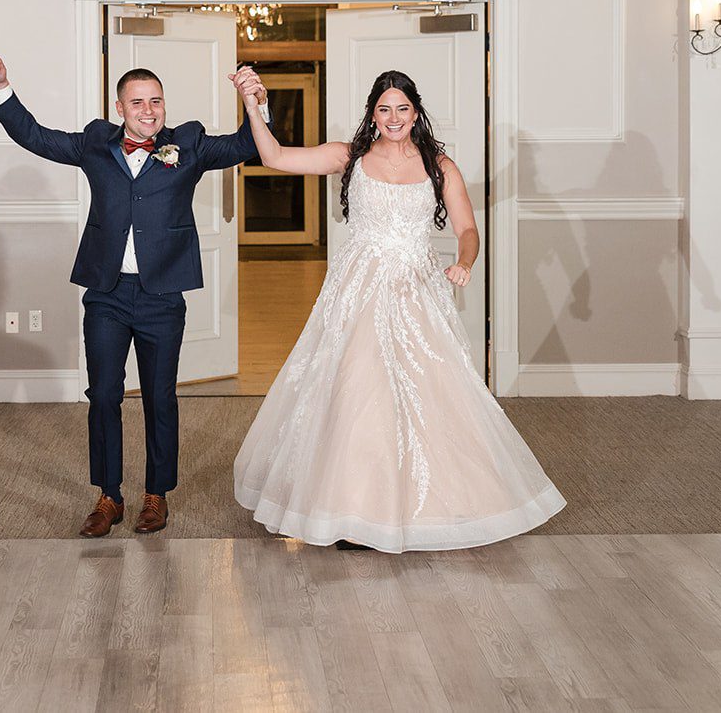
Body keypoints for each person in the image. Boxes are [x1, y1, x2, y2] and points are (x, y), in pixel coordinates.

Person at [230, 67, 565, 552]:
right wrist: (253, 105)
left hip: (414, 291)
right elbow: (275, 156)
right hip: (358, 290)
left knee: (429, 391)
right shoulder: (349, 156)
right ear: (373, 113)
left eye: (402, 109)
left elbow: (468, 230)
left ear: (416, 112)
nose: (393, 118)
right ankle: (354, 511)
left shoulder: (439, 166)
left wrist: (465, 263)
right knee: (356, 390)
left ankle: (428, 507)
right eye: (384, 109)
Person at [0, 52, 269, 537]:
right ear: (120, 107)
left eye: (156, 101)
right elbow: (37, 137)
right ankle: (109, 495)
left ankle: (157, 495)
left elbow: (245, 144)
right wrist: (2, 89)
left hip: (162, 296)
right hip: (106, 294)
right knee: (104, 395)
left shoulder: (189, 144)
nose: (148, 110)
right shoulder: (96, 142)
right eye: (138, 102)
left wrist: (255, 101)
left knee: (160, 397)